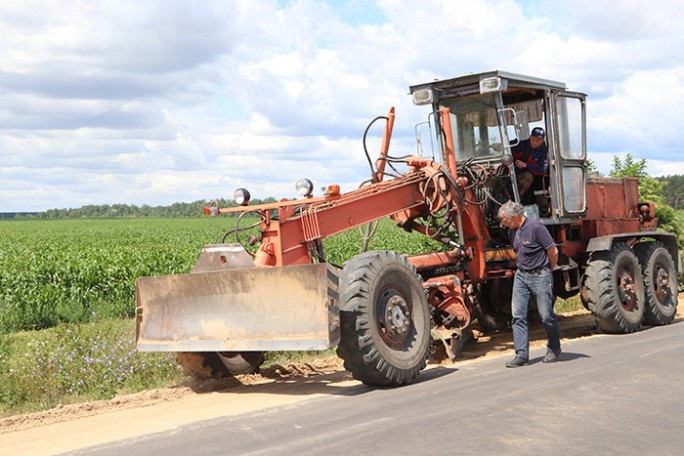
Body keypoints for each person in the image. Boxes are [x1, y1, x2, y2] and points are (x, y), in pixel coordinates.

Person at [497, 201, 561, 367]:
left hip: (540, 275)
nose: (503, 223)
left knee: (546, 315)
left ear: (515, 216)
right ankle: (521, 355)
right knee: (517, 315)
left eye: (505, 220)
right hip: (521, 277)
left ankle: (554, 348)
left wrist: (548, 270)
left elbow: (553, 251)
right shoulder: (512, 232)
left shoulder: (536, 228)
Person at [511, 126, 549, 203]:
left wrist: (526, 165)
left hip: (533, 176)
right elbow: (509, 146)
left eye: (537, 140)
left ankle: (516, 201)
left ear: (542, 140)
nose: (534, 142)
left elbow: (544, 170)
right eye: (533, 139)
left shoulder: (544, 152)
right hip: (514, 170)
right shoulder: (522, 144)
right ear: (530, 137)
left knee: (527, 177)